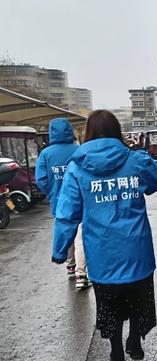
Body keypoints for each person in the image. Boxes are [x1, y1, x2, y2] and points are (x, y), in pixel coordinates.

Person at [52, 110, 157, 361]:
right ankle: (134, 340)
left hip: (102, 254)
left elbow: (67, 214)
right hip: (137, 249)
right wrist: (142, 155)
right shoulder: (134, 160)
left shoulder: (76, 167)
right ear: (117, 132)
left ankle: (116, 348)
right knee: (139, 298)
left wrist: (60, 251)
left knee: (110, 305)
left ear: (88, 133)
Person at [35, 118, 91, 289]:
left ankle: (70, 264)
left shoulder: (46, 154)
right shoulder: (79, 149)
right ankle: (81, 275)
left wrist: (52, 192)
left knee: (64, 228)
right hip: (81, 200)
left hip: (59, 201)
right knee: (81, 236)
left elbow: (41, 179)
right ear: (69, 131)